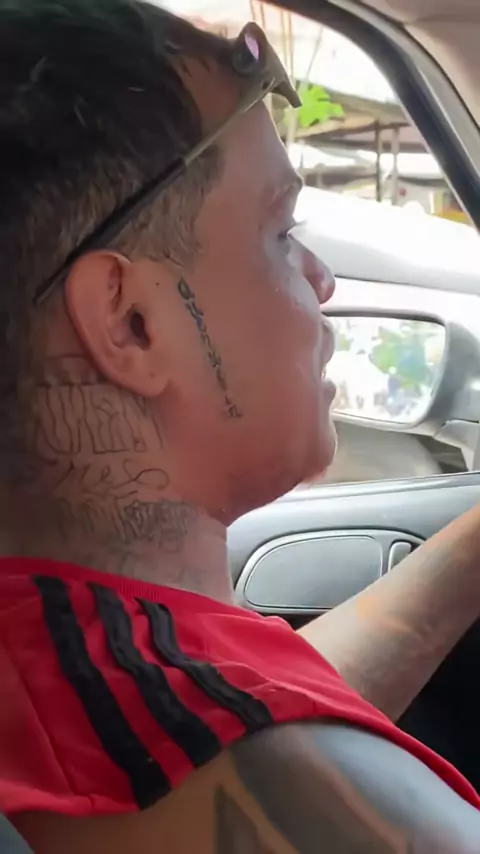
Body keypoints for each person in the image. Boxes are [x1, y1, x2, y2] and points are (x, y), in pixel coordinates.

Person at [1, 2, 480, 851]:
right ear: (131, 323)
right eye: (282, 232)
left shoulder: (70, 660)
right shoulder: (255, 780)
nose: (322, 279)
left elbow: (259, 701)